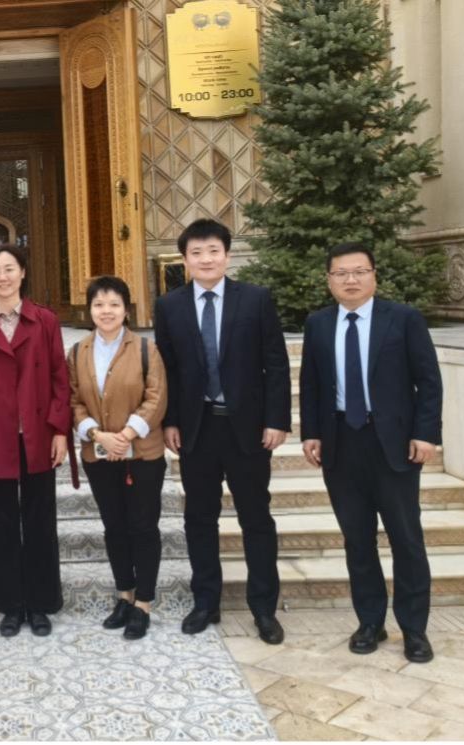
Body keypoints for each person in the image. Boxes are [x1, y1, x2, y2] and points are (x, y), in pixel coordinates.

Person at [300, 242, 442, 663]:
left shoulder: (403, 319)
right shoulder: (318, 324)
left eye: (359, 271)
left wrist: (425, 434)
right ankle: (370, 622)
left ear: (374, 275)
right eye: (341, 273)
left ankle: (414, 630)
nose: (351, 280)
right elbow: (311, 383)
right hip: (341, 444)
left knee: (406, 539)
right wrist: (311, 433)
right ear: (329, 280)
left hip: (393, 445)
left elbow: (428, 381)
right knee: (357, 540)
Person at [153, 218, 290, 644]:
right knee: (199, 518)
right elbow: (167, 369)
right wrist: (170, 421)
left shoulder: (256, 299)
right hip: (197, 429)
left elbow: (276, 363)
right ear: (185, 259)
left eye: (213, 250)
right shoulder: (169, 306)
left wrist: (277, 420)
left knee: (256, 519)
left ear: (227, 255)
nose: (206, 259)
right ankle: (206, 602)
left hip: (248, 429)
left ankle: (264, 608)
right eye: (196, 253)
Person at [0, 243, 71, 638]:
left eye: (9, 268)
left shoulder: (45, 320)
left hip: (37, 435)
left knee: (41, 522)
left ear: (23, 272)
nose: (2, 276)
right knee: (3, 524)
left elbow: (59, 377)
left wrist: (60, 429)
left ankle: (40, 603)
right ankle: (10, 604)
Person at [68, 276, 168, 640]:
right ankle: (124, 595)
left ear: (126, 310)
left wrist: (125, 435)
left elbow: (156, 397)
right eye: (99, 304)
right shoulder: (78, 352)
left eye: (114, 304)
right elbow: (73, 399)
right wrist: (98, 435)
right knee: (115, 526)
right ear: (90, 310)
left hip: (141, 454)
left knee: (143, 526)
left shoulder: (145, 348)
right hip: (100, 455)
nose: (106, 311)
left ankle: (144, 602)